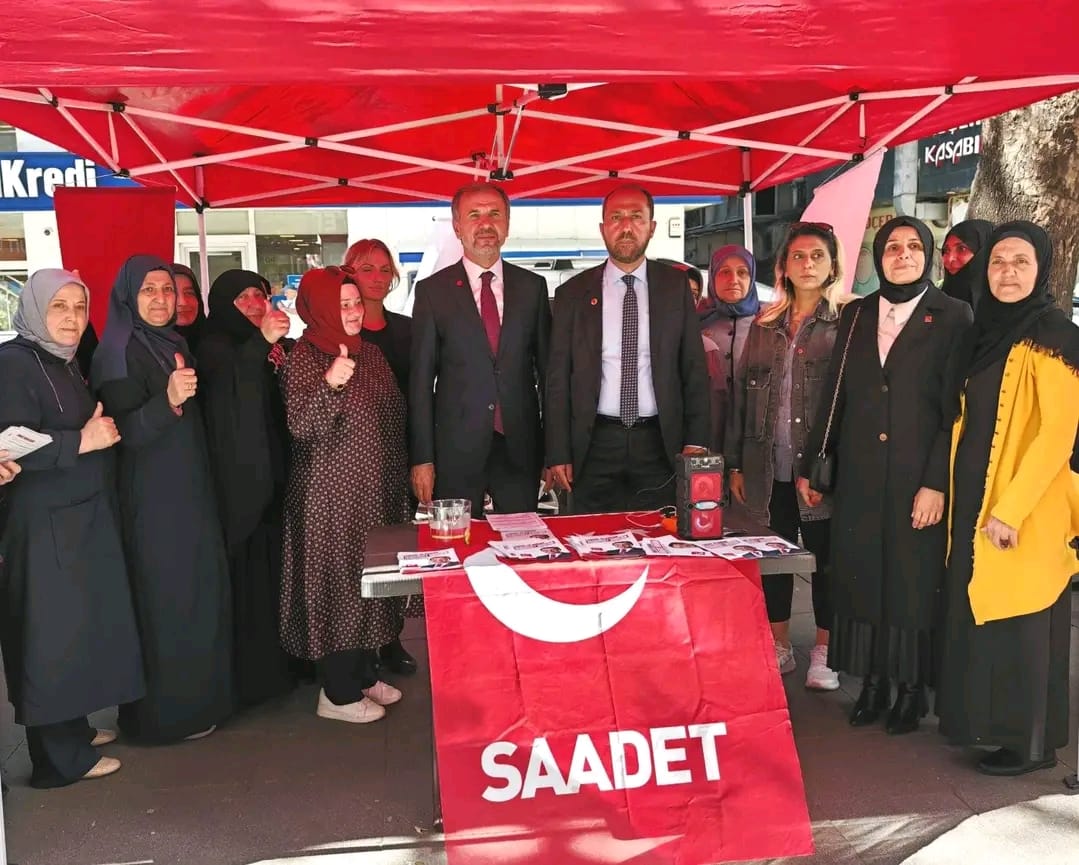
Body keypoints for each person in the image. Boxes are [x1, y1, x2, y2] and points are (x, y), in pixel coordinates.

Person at [800, 216, 973, 735]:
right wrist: (814, 464)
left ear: (929, 255)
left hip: (917, 477)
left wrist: (937, 482)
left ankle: (912, 690)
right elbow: (835, 393)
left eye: (914, 246)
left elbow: (954, 408)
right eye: (892, 246)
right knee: (862, 579)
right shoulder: (857, 313)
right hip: (859, 472)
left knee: (911, 583)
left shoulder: (953, 314)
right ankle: (872, 682)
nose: (903, 255)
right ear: (878, 257)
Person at [936, 221, 1079, 775]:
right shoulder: (984, 332)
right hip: (975, 495)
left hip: (1024, 506)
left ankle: (1031, 746)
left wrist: (1010, 510)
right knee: (984, 613)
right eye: (997, 261)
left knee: (1024, 619)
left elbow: (1057, 434)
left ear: (1041, 269)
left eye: (1021, 261)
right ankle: (987, 728)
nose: (1007, 272)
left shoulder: (1055, 334)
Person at [0, 269, 144, 786]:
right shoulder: (14, 362)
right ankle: (59, 760)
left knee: (73, 630)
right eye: (58, 306)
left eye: (79, 307)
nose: (71, 317)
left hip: (76, 518)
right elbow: (8, 441)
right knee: (50, 638)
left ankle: (72, 729)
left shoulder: (61, 360)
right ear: (35, 310)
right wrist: (82, 441)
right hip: (43, 524)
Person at [91, 255, 233, 743]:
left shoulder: (171, 342)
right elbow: (122, 435)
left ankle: (198, 706)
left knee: (195, 595)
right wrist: (167, 400)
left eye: (168, 290)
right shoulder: (116, 353)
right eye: (149, 290)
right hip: (151, 500)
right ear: (128, 296)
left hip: (187, 490)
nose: (161, 299)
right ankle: (162, 718)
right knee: (165, 602)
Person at [280, 266, 411, 724]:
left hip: (375, 491)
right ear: (320, 309)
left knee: (369, 585)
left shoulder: (370, 352)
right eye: (343, 305)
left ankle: (362, 674)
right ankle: (336, 693)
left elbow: (392, 416)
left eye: (356, 303)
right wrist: (331, 383)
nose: (354, 312)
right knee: (339, 586)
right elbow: (301, 427)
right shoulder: (305, 357)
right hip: (330, 498)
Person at [727, 222, 846, 691]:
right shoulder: (764, 325)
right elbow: (741, 397)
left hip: (820, 469)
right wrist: (736, 463)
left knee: (826, 562)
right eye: (798, 256)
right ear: (783, 267)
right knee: (772, 558)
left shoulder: (846, 322)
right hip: (766, 464)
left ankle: (824, 651)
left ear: (832, 265)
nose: (807, 264)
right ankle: (778, 644)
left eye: (817, 255)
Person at [545, 184, 711, 513]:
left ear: (652, 226)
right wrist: (558, 451)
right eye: (616, 217)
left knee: (659, 535)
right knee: (591, 536)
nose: (626, 226)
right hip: (593, 444)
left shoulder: (675, 286)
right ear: (602, 228)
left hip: (660, 443)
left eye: (636, 217)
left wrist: (696, 440)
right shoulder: (573, 293)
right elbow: (557, 379)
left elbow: (693, 367)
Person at [410, 182, 552, 517]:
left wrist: (553, 451)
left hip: (520, 448)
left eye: (494, 214)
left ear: (507, 224)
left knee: (523, 541)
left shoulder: (532, 288)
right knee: (457, 542)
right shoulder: (433, 292)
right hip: (455, 451)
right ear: (457, 226)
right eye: (474, 215)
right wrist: (422, 458)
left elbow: (550, 377)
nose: (485, 223)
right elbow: (420, 383)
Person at [196, 269, 297, 708]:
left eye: (260, 294)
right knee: (249, 584)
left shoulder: (275, 347)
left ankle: (283, 667)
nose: (256, 304)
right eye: (244, 298)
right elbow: (233, 391)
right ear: (224, 305)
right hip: (241, 491)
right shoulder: (214, 346)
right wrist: (262, 342)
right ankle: (252, 681)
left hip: (274, 479)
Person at [342, 239, 420, 675]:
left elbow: (421, 395)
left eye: (384, 269)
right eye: (366, 268)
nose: (376, 277)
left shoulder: (407, 330)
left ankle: (391, 639)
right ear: (348, 273)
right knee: (357, 553)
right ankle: (358, 646)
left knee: (395, 550)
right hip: (351, 464)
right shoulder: (339, 332)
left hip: (398, 454)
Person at [940, 220, 994, 307]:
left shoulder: (1009, 305)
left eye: (962, 249)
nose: (950, 259)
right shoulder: (936, 304)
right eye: (946, 250)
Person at [172, 263, 206, 352]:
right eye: (173, 293)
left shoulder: (215, 344)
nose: (183, 302)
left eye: (189, 293)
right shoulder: (148, 350)